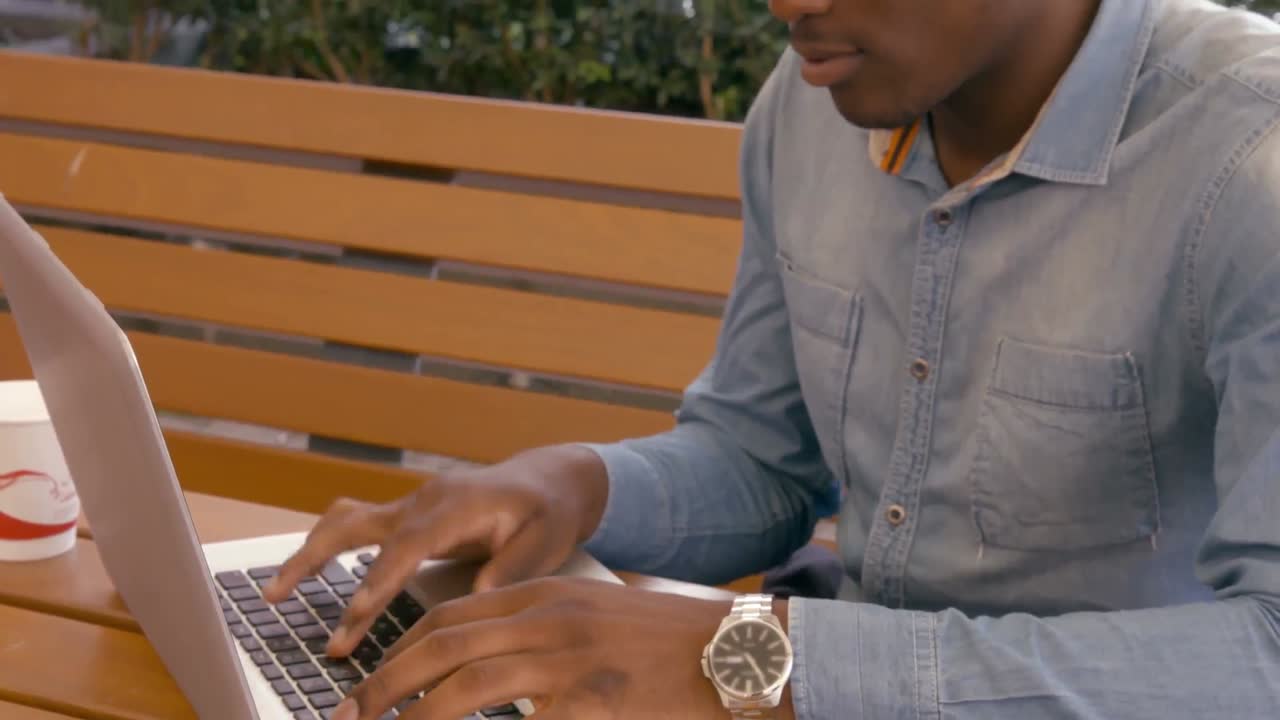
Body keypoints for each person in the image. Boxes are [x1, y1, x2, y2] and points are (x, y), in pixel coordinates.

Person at [264, 0, 1280, 717]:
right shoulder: (810, 109)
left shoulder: (1248, 162)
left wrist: (757, 665)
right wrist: (571, 487)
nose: (786, 4)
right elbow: (761, 461)